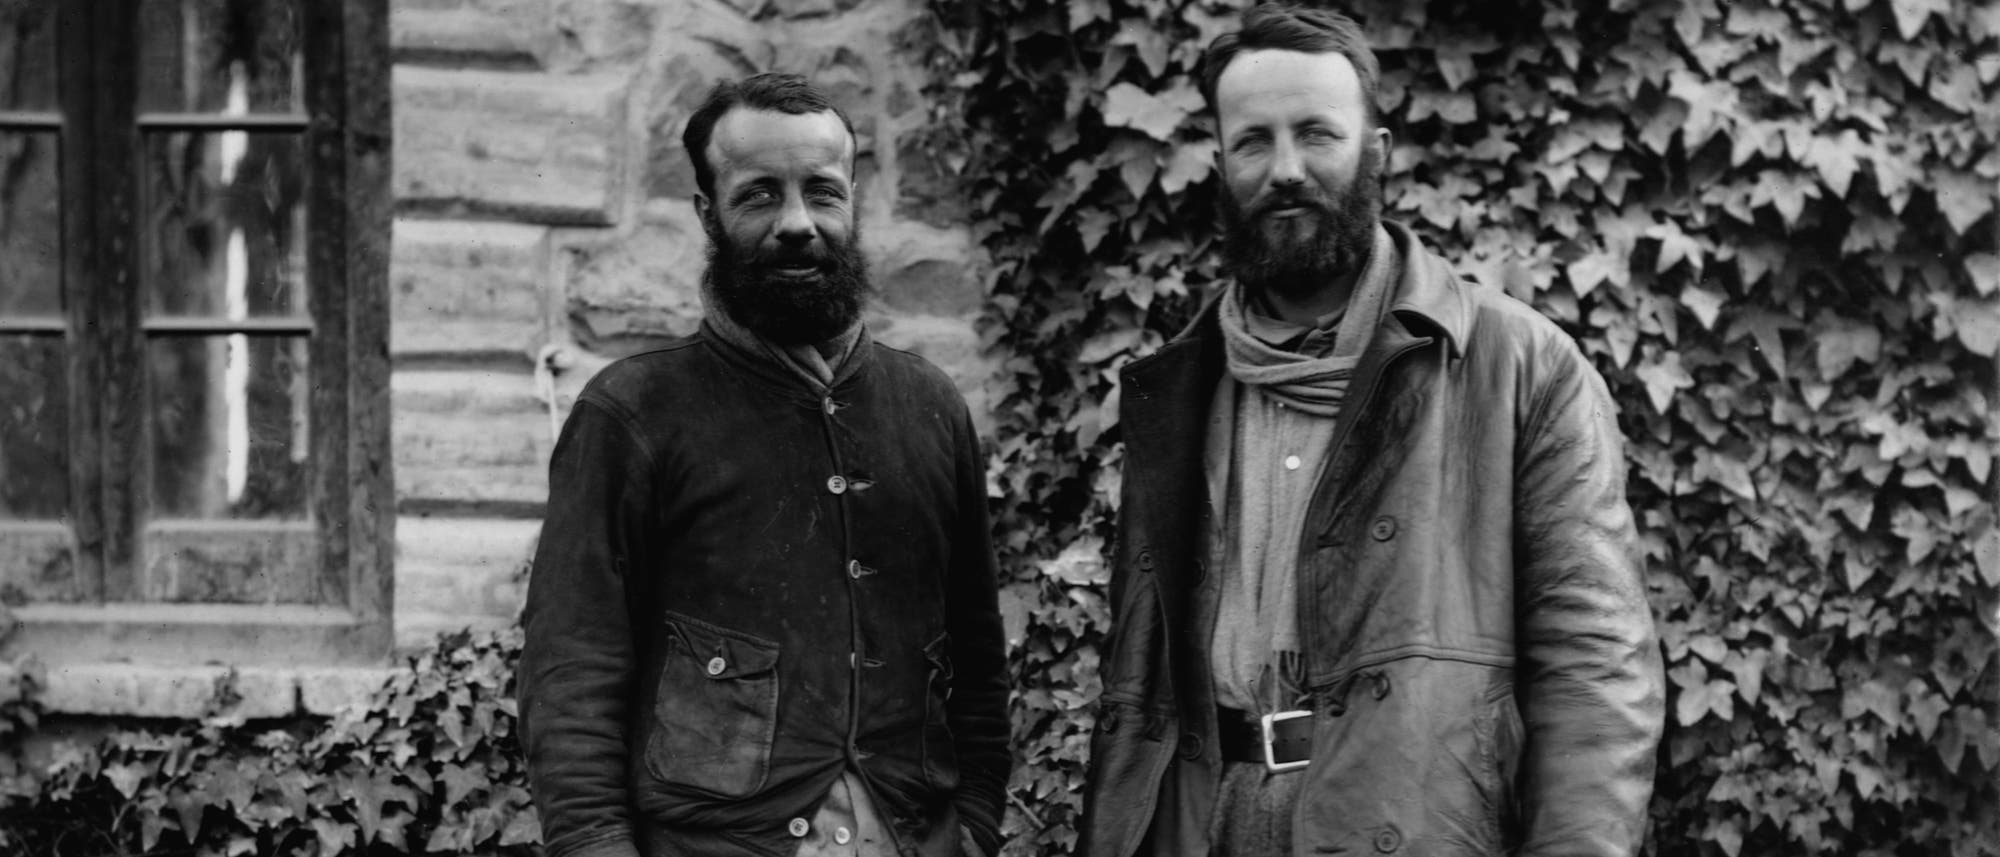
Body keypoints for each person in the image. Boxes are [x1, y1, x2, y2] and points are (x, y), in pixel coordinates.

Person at [1080, 5, 1666, 857]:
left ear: (1377, 152)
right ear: (1220, 163)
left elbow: (1597, 671)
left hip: (1408, 823)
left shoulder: (1516, 363)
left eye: (1317, 134)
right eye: (1254, 141)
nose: (1285, 169)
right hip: (1204, 821)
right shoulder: (1174, 384)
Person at [519, 72, 1010, 857]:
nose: (797, 223)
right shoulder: (634, 413)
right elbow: (571, 679)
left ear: (853, 200)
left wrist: (976, 829)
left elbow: (979, 666)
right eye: (758, 196)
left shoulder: (929, 407)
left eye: (822, 192)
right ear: (708, 214)